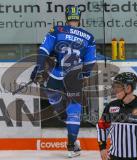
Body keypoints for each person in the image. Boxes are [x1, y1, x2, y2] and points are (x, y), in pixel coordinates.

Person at [30, 5, 96, 158]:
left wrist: (38, 69)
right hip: (75, 76)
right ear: (79, 19)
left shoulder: (57, 30)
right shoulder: (89, 37)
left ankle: (64, 117)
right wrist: (84, 75)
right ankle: (72, 146)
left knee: (56, 102)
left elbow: (43, 50)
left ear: (67, 18)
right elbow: (90, 62)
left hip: (57, 74)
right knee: (74, 110)